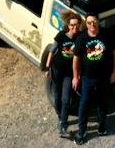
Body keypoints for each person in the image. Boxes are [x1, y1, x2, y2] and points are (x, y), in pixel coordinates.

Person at [71, 14, 115, 144]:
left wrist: (114, 72)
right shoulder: (81, 39)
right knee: (84, 104)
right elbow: (76, 59)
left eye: (95, 22)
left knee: (102, 103)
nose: (93, 25)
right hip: (87, 78)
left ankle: (102, 127)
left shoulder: (106, 35)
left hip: (104, 76)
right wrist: (75, 77)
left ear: (99, 22)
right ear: (86, 24)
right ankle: (82, 131)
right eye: (90, 22)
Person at [44, 10, 81, 138]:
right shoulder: (61, 35)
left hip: (69, 73)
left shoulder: (80, 37)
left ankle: (63, 125)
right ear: (68, 25)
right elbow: (52, 51)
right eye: (72, 25)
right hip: (57, 69)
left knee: (66, 99)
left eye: (77, 25)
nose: (75, 28)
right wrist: (47, 67)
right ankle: (60, 116)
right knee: (57, 94)